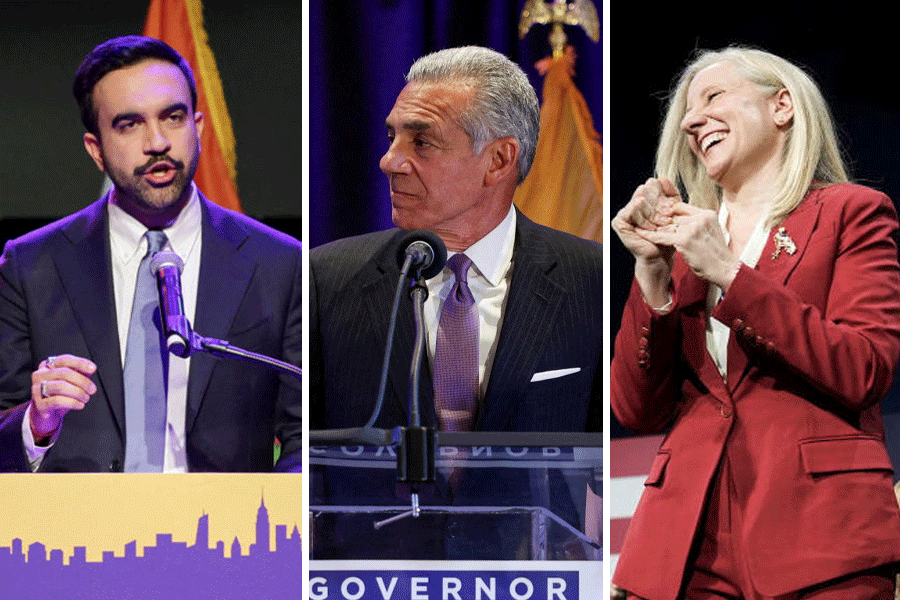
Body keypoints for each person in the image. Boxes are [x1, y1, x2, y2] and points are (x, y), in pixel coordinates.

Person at [611, 47, 900, 599]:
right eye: (686, 116)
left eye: (713, 98)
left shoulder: (853, 212)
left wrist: (728, 271)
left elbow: (865, 368)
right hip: (687, 546)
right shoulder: (678, 247)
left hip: (820, 539)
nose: (693, 122)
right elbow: (635, 409)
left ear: (783, 106)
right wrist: (651, 273)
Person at [0, 35, 301, 473]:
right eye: (129, 124)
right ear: (95, 149)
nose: (157, 141)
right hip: (77, 534)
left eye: (173, 117)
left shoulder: (278, 263)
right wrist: (36, 423)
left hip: (226, 534)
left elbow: (303, 438)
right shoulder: (30, 266)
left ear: (198, 126)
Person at [310, 46, 602, 434]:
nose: (388, 161)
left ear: (498, 160)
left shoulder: (591, 279)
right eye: (392, 137)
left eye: (421, 143)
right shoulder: (327, 279)